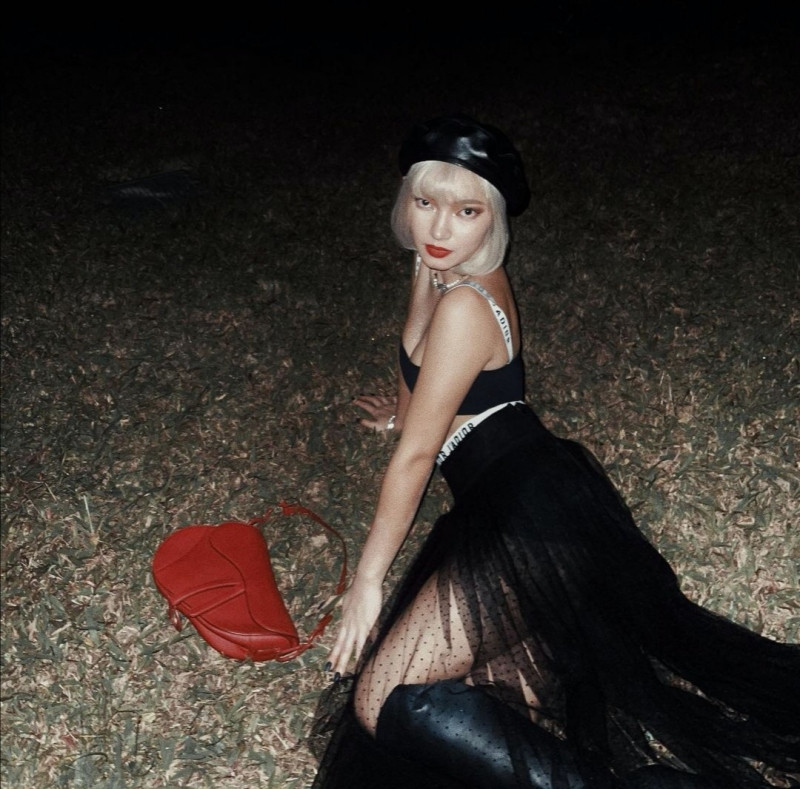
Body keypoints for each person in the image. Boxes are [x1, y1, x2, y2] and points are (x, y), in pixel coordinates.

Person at [311, 115, 800, 789]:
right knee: (484, 697)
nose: (440, 227)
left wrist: (368, 581)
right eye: (425, 202)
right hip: (514, 497)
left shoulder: (468, 305)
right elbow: (419, 376)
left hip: (530, 511)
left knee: (384, 700)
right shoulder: (438, 266)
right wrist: (400, 412)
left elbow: (418, 457)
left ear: (495, 217)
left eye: (467, 211)